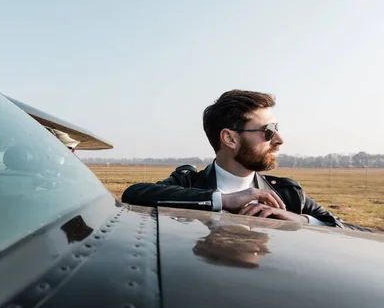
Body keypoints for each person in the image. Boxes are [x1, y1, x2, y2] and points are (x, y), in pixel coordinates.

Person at [121, 89, 370, 231]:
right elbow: (135, 194)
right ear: (230, 138)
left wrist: (301, 220)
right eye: (268, 131)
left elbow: (350, 231)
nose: (280, 139)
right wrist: (223, 200)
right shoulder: (188, 183)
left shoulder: (288, 194)